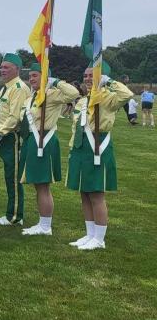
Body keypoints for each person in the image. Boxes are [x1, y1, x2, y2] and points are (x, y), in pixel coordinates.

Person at [66, 62, 133, 250]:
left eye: (92, 75)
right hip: (81, 149)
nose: (87, 78)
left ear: (101, 77)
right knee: (84, 193)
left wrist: (108, 81)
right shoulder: (82, 100)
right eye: (86, 75)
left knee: (96, 193)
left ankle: (99, 238)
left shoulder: (107, 97)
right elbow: (76, 127)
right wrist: (73, 148)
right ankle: (89, 234)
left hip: (98, 147)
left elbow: (126, 94)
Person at [18, 63, 79, 236]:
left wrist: (56, 82)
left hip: (44, 140)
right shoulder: (31, 97)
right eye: (30, 76)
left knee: (43, 185)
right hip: (32, 140)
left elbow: (73, 93)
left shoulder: (51, 94)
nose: (31, 79)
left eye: (35, 75)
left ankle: (45, 226)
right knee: (37, 184)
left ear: (44, 77)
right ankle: (42, 223)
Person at [0, 53, 31, 226]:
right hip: (5, 137)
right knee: (8, 175)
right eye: (2, 67)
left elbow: (14, 117)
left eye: (7, 67)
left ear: (17, 69)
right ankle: (12, 212)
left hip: (12, 137)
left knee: (13, 177)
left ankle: (14, 216)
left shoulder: (18, 88)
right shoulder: (7, 87)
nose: (2, 70)